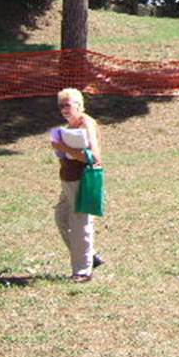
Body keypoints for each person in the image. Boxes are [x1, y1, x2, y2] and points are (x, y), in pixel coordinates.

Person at [49, 88, 104, 283]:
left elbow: (94, 158)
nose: (64, 109)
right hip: (67, 180)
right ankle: (90, 257)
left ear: (80, 105)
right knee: (61, 218)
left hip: (81, 180)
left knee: (80, 224)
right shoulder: (68, 127)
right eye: (61, 105)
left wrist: (62, 147)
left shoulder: (86, 124)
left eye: (68, 105)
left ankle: (83, 272)